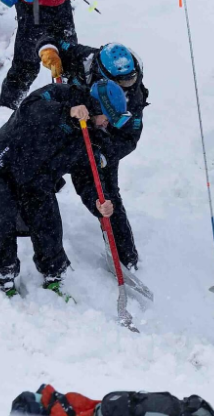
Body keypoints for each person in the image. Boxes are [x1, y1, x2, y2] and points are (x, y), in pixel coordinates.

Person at [0, 78, 131, 298]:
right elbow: (29, 109)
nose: (106, 124)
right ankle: (3, 279)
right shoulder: (62, 94)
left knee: (49, 226)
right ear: (97, 107)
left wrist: (97, 203)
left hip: (38, 178)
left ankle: (55, 277)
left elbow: (86, 177)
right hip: (4, 164)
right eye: (107, 118)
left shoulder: (90, 135)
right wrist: (68, 111)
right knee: (0, 224)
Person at [38, 41, 148, 269]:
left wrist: (103, 157)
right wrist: (49, 50)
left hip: (100, 143)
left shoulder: (132, 97)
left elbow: (129, 139)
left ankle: (125, 257)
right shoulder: (84, 58)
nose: (126, 85)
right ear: (101, 71)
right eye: (120, 81)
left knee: (106, 197)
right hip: (67, 122)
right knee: (38, 173)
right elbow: (52, 37)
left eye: (130, 79)